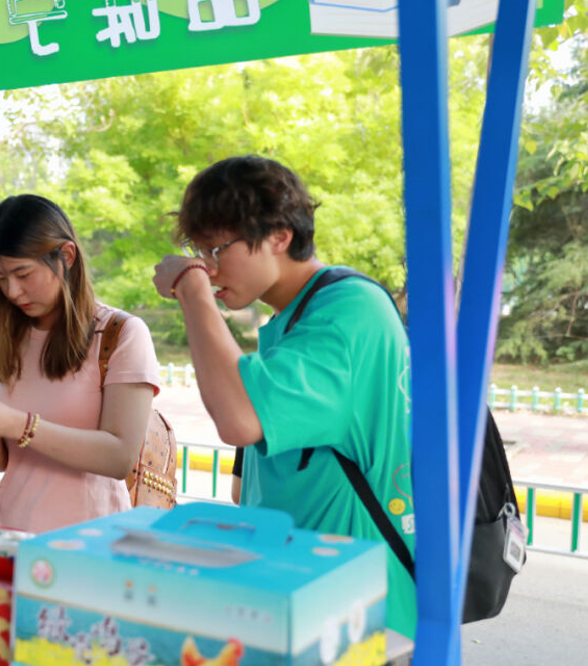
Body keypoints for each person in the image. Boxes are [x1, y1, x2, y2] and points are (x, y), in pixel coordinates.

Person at [151, 155, 416, 639]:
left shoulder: (348, 311)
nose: (206, 268)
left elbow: (240, 420)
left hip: (362, 617)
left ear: (279, 236)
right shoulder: (292, 320)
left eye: (217, 251)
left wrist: (191, 291)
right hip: (307, 600)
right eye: (197, 252)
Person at [0, 194, 162, 533]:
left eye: (23, 273)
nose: (12, 291)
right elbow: (4, 463)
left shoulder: (120, 333)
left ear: (66, 256)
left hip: (92, 543)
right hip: (13, 534)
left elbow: (119, 458)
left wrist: (16, 424)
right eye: (0, 277)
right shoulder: (6, 337)